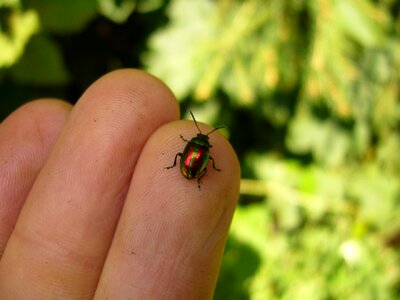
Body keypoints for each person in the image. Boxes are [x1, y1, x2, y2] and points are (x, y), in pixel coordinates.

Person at [0, 69, 240, 299]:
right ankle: (188, 176)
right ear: (202, 145)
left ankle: (181, 171)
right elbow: (201, 162)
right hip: (192, 172)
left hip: (187, 169)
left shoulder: (192, 147)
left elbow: (187, 155)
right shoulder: (204, 151)